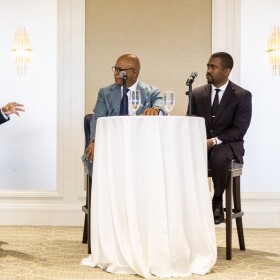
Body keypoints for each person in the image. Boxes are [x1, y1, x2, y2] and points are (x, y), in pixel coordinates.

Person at [188, 52, 252, 224]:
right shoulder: (197, 93)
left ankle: (217, 199)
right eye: (208, 66)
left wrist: (214, 141)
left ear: (226, 71)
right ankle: (189, 204)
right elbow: (191, 123)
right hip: (202, 144)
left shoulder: (242, 96)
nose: (208, 70)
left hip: (229, 145)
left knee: (219, 155)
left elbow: (239, 130)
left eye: (213, 67)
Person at [85, 54, 164, 162]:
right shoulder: (105, 93)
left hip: (142, 146)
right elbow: (97, 119)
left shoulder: (151, 92)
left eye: (120, 70)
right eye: (115, 69)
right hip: (113, 144)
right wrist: (95, 141)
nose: (115, 73)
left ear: (134, 72)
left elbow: (161, 108)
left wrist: (155, 110)